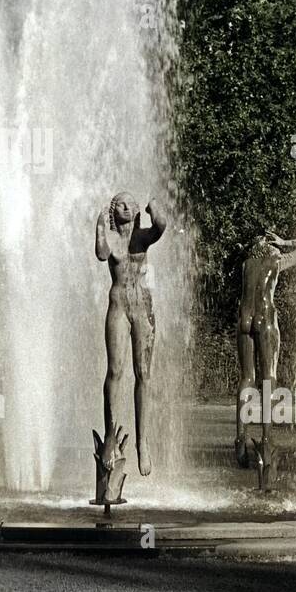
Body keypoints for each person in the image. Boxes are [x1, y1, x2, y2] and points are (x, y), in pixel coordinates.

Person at [95, 192, 166, 476]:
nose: (125, 206)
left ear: (136, 210)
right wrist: (100, 225)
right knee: (114, 371)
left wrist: (154, 206)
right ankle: (110, 436)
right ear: (114, 210)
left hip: (142, 308)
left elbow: (161, 225)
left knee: (143, 375)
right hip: (118, 306)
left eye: (130, 203)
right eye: (119, 203)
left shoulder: (142, 237)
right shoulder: (112, 239)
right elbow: (101, 254)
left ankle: (142, 442)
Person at [235, 229, 296, 472]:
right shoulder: (277, 260)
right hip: (265, 318)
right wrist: (285, 242)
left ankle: (240, 436)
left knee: (247, 377)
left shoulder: (246, 264)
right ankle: (266, 438)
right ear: (270, 248)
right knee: (269, 378)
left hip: (244, 317)